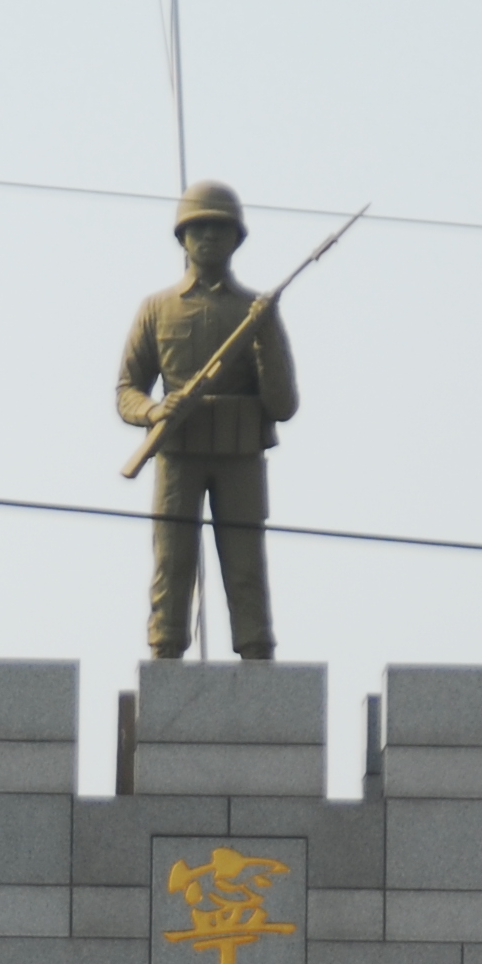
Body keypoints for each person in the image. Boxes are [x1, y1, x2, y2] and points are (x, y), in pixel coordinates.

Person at [116, 179, 300, 663]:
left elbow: (282, 404)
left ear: (237, 238)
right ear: (182, 238)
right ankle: (165, 649)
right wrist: (155, 410)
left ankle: (258, 652)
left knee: (245, 565)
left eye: (221, 229)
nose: (210, 237)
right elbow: (127, 391)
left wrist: (264, 339)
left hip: (240, 452)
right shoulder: (157, 308)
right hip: (178, 451)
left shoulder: (254, 310)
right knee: (172, 562)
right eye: (199, 228)